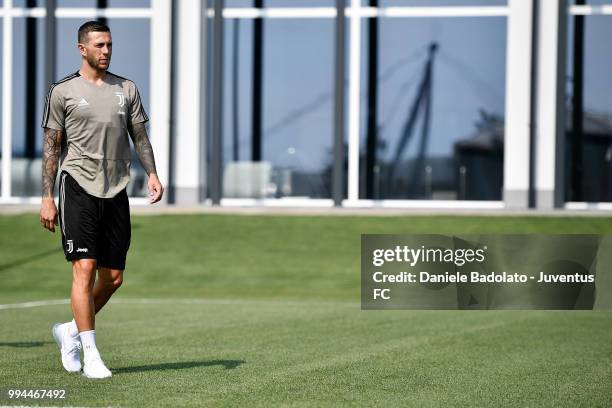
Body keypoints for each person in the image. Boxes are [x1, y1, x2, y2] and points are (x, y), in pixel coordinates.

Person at [39, 21, 163, 379]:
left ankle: (70, 330)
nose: (106, 51)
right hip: (76, 184)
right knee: (85, 267)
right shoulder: (62, 91)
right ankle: (91, 354)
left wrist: (152, 172)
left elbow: (139, 136)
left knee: (114, 278)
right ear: (82, 49)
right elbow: (52, 148)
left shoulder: (126, 89)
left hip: (116, 189)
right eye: (99, 45)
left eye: (109, 44)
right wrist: (47, 197)